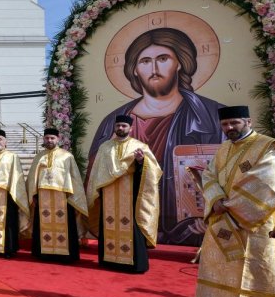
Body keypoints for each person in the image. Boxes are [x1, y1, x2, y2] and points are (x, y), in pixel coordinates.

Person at [88, 28, 225, 244]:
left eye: (163, 59)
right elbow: (95, 175)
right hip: (124, 215)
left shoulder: (211, 116)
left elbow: (225, 170)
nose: (153, 68)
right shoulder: (111, 122)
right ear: (134, 69)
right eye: (144, 61)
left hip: (190, 228)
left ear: (179, 62)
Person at [192, 106, 275, 297]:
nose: (229, 128)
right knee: (226, 267)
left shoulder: (267, 147)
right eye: (225, 125)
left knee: (257, 269)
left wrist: (231, 207)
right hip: (224, 218)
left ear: (248, 121)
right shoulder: (224, 149)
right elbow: (210, 175)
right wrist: (217, 199)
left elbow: (269, 183)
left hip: (257, 221)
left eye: (234, 123)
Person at [86, 115, 161, 273]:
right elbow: (97, 172)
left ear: (130, 128)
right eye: (118, 125)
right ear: (115, 127)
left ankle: (134, 264)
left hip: (130, 195)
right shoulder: (105, 147)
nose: (120, 128)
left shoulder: (139, 146)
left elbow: (152, 172)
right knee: (108, 224)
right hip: (108, 195)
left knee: (132, 226)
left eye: (124, 126)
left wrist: (141, 162)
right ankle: (109, 260)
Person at [27, 128, 89, 263]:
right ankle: (44, 253)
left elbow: (74, 178)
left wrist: (72, 195)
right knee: (43, 225)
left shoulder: (67, 156)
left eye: (52, 138)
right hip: (43, 196)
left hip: (63, 197)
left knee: (65, 225)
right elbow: (33, 178)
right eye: (47, 138)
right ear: (44, 139)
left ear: (58, 139)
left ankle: (65, 255)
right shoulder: (39, 156)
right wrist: (34, 195)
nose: (49, 140)